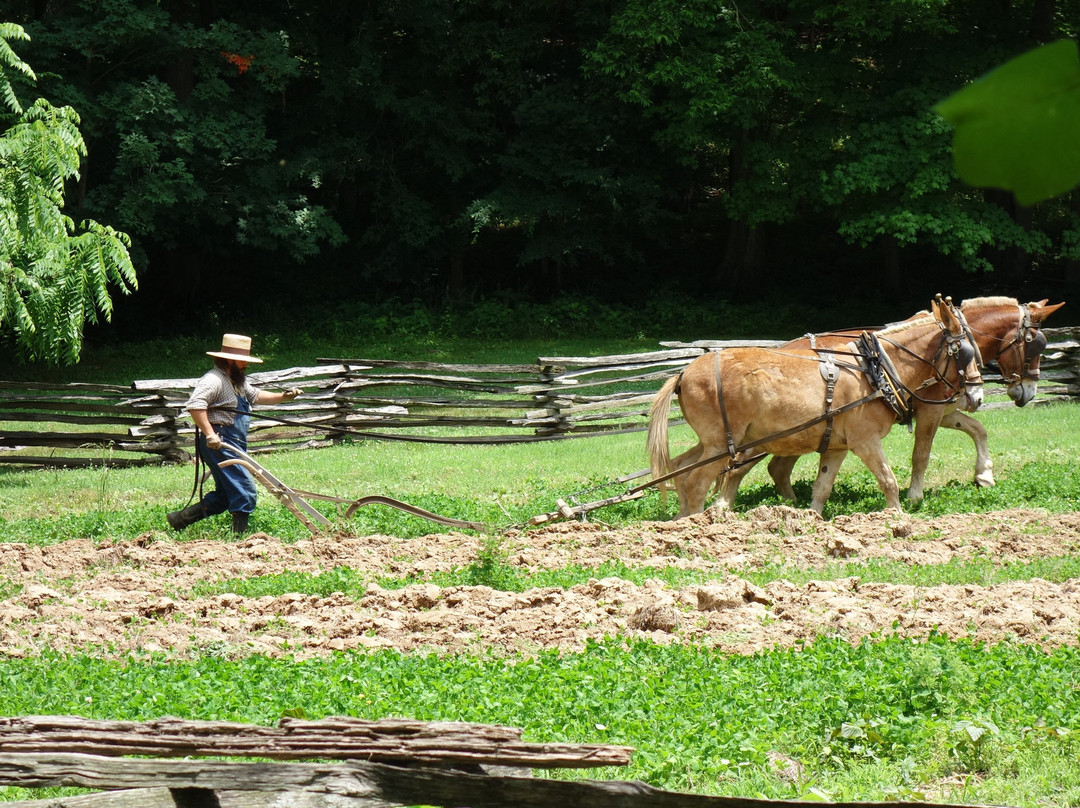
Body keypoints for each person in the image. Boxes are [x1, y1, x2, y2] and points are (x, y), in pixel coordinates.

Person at [166, 334, 302, 535]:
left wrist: (283, 397)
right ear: (229, 360)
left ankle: (179, 520)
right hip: (219, 441)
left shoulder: (236, 381)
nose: (246, 365)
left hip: (232, 442)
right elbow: (195, 405)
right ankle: (240, 539)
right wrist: (210, 434)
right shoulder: (214, 380)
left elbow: (256, 395)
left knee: (225, 495)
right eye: (243, 361)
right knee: (244, 488)